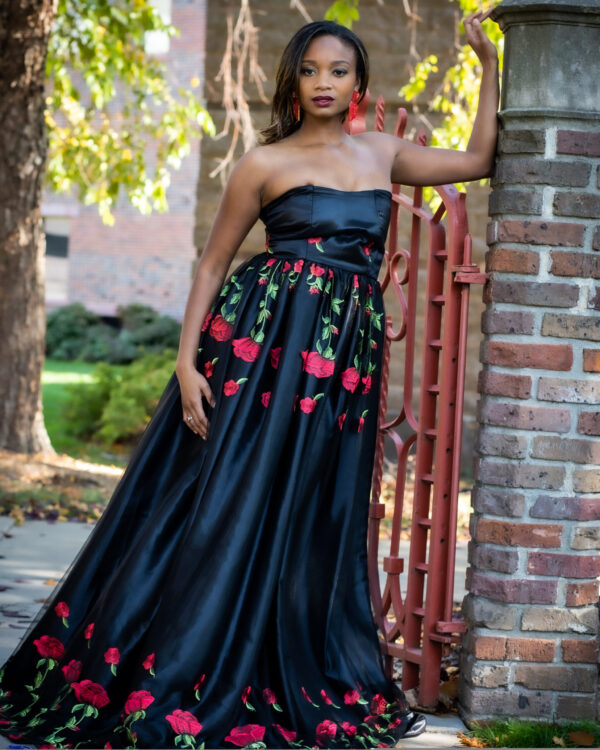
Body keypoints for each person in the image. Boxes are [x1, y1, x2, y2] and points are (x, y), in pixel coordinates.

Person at [0, 15, 498, 750]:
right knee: (226, 500)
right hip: (255, 354)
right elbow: (212, 264)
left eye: (338, 70)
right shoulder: (263, 164)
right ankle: (187, 658)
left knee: (309, 510)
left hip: (337, 365)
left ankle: (283, 652)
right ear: (292, 81)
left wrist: (488, 61)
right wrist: (184, 362)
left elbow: (479, 158)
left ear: (358, 83)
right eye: (311, 70)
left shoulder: (384, 153)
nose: (325, 83)